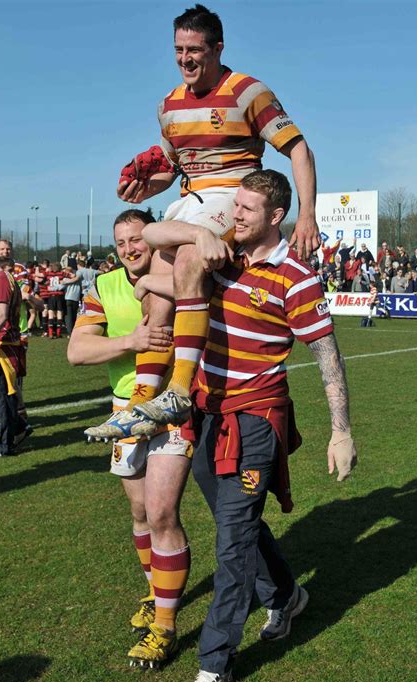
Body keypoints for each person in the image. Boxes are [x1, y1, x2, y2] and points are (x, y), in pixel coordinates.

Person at [153, 170, 355, 682]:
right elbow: (147, 239)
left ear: (274, 217)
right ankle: (287, 596)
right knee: (234, 523)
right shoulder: (222, 253)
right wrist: (195, 234)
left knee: (233, 542)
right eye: (234, 205)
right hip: (207, 414)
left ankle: (214, 666)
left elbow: (328, 358)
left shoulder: (295, 277)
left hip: (254, 422)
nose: (234, 215)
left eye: (245, 209)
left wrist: (341, 431)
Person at [87, 3, 321, 441]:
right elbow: (174, 167)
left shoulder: (248, 91)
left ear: (217, 48)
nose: (185, 59)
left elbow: (298, 149)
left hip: (232, 194)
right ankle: (142, 400)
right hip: (189, 200)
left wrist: (307, 215)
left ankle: (178, 390)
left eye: (194, 49)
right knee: (156, 286)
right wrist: (142, 188)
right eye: (178, 50)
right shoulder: (168, 107)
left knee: (192, 256)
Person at [68, 209, 192, 668]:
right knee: (140, 512)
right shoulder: (104, 287)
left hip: (171, 409)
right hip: (124, 411)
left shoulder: (178, 272)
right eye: (121, 242)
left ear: (153, 238)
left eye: (136, 238)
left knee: (162, 512)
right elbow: (77, 351)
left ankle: (165, 625)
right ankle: (155, 591)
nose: (129, 249)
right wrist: (130, 341)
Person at [0, 248, 28, 457]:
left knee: (2, 395)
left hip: (1, 346)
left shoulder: (0, 279)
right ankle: (19, 426)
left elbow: (1, 314)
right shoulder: (0, 278)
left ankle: (6, 444)